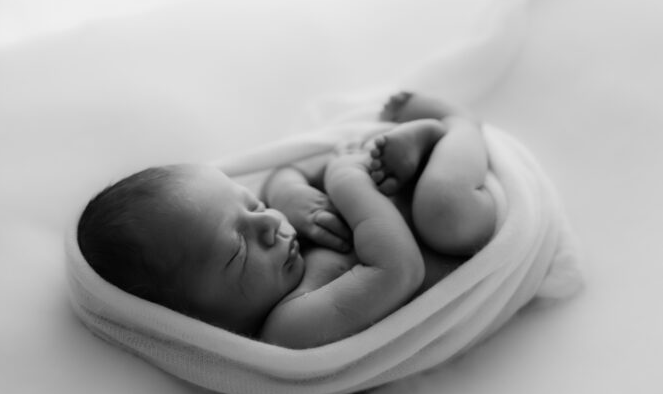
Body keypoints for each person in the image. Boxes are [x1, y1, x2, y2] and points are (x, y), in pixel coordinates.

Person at [77, 92, 497, 349]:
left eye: (253, 206)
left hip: (387, 185)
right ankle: (458, 126)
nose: (268, 223)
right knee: (445, 214)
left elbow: (282, 173)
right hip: (460, 233)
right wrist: (349, 181)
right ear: (195, 320)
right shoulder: (290, 326)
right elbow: (399, 269)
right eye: (237, 249)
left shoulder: (271, 244)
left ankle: (424, 141)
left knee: (315, 171)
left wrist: (288, 193)